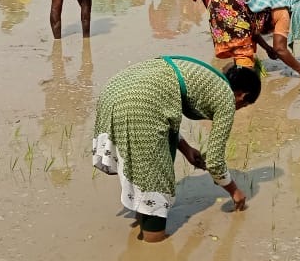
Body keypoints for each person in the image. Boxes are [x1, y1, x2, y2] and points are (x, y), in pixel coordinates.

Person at [92, 57, 261, 242]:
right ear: (242, 96)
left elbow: (165, 108)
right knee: (156, 178)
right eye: (243, 106)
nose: (238, 109)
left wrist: (186, 148)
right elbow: (214, 161)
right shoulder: (226, 97)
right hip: (139, 104)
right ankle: (153, 243)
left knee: (143, 174)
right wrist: (234, 191)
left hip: (114, 90)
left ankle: (142, 230)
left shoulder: (206, 76)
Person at [208, 0, 300, 80]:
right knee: (243, 52)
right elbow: (280, 49)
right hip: (232, 2)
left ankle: (235, 73)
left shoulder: (272, 2)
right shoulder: (284, 13)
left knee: (237, 43)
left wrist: (267, 49)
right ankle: (240, 83)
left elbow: (253, 32)